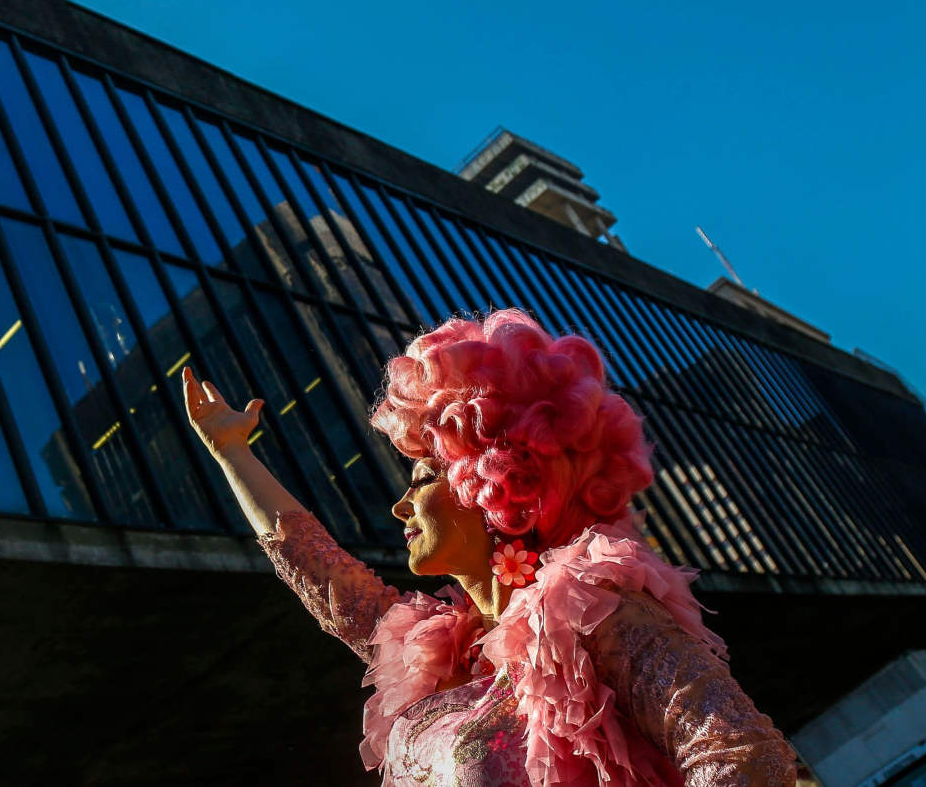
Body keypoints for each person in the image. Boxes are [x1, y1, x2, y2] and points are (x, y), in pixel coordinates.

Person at [184, 309, 796, 785]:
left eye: (421, 480)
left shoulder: (594, 614)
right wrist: (232, 453)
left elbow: (745, 758)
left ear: (490, 484)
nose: (399, 507)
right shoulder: (433, 653)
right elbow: (320, 574)